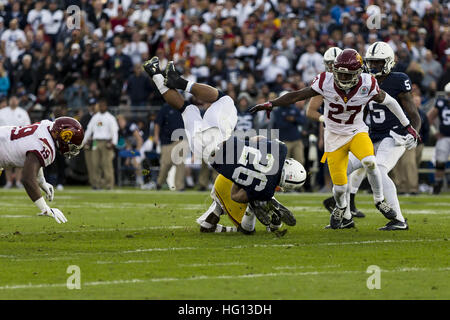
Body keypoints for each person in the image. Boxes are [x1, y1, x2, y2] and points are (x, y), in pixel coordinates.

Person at [250, 48, 420, 230]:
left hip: (357, 132)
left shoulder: (367, 82)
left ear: (358, 73)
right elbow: (298, 95)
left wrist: (407, 125)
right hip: (334, 137)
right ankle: (342, 211)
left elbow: (391, 102)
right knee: (340, 186)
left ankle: (380, 202)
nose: (343, 79)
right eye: (339, 74)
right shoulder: (325, 81)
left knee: (371, 162)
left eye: (348, 75)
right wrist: (272, 103)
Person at [143, 56, 306, 233]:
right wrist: (252, 192)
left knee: (224, 100)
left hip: (223, 139)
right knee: (186, 109)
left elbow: (255, 140)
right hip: (207, 151)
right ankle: (154, 74)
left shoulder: (279, 150)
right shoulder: (265, 191)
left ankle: (179, 81)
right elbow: (235, 195)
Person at [322, 42, 422, 230]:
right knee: (343, 169)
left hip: (395, 135)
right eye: (371, 62)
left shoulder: (398, 79)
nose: (374, 66)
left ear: (388, 62)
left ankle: (398, 219)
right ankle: (346, 216)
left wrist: (414, 130)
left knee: (380, 170)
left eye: (378, 62)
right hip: (371, 134)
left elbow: (412, 111)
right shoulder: (363, 79)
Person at [0, 117, 84, 223]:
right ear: (64, 136)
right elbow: (27, 178)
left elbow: (32, 152)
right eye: (71, 146)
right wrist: (45, 208)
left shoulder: (47, 126)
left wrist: (41, 181)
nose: (71, 149)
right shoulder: (47, 146)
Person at [82, 98, 119, 190]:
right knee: (95, 163)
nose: (102, 107)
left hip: (106, 142)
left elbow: (114, 131)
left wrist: (114, 142)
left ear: (106, 107)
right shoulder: (95, 117)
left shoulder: (110, 117)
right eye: (100, 106)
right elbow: (89, 129)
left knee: (106, 164)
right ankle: (96, 184)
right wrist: (83, 142)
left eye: (103, 105)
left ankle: (109, 184)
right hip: (95, 142)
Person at [0, 94, 31, 188]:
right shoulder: (2, 112)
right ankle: (8, 182)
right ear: (9, 101)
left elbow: (28, 126)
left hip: (19, 140)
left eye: (15, 99)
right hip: (4, 140)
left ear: (18, 101)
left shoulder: (23, 112)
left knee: (19, 162)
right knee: (6, 161)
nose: (13, 101)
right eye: (12, 99)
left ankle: (18, 181)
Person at [427, 82, 450, 194]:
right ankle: (438, 184)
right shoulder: (441, 103)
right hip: (444, 137)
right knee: (440, 162)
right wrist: (435, 132)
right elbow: (429, 118)